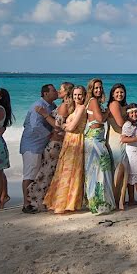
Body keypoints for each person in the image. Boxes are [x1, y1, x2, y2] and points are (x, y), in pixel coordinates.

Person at [27, 82, 77, 212]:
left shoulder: (64, 106)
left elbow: (57, 126)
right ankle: (43, 200)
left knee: (46, 173)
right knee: (49, 172)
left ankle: (35, 201)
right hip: (58, 143)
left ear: (66, 92)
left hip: (55, 144)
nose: (58, 91)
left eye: (60, 89)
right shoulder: (65, 106)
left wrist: (44, 114)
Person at [42, 85, 87, 214]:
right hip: (69, 140)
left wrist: (63, 125)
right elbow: (67, 126)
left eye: (80, 95)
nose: (77, 97)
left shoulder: (82, 108)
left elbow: (71, 127)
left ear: (84, 96)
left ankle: (67, 203)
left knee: (70, 172)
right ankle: (60, 201)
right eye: (75, 95)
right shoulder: (74, 109)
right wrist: (65, 125)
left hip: (75, 141)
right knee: (63, 171)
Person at [20, 84, 58, 214]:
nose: (56, 92)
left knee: (39, 175)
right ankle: (26, 204)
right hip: (32, 145)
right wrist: (50, 135)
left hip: (42, 145)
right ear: (45, 93)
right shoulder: (39, 106)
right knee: (29, 175)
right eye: (54, 90)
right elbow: (35, 126)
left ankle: (37, 201)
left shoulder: (52, 106)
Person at [83, 78, 116, 215]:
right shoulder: (93, 101)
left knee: (99, 171)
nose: (98, 90)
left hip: (97, 139)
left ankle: (100, 202)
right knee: (101, 170)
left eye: (100, 88)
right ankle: (99, 204)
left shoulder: (95, 102)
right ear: (91, 89)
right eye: (96, 88)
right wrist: (108, 111)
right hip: (94, 140)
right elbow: (100, 119)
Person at [106, 83, 130, 210]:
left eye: (122, 92)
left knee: (123, 169)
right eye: (117, 92)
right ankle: (116, 200)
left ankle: (121, 200)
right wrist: (134, 121)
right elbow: (120, 123)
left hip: (122, 139)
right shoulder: (114, 104)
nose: (120, 94)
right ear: (112, 94)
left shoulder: (123, 106)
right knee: (119, 168)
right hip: (116, 139)